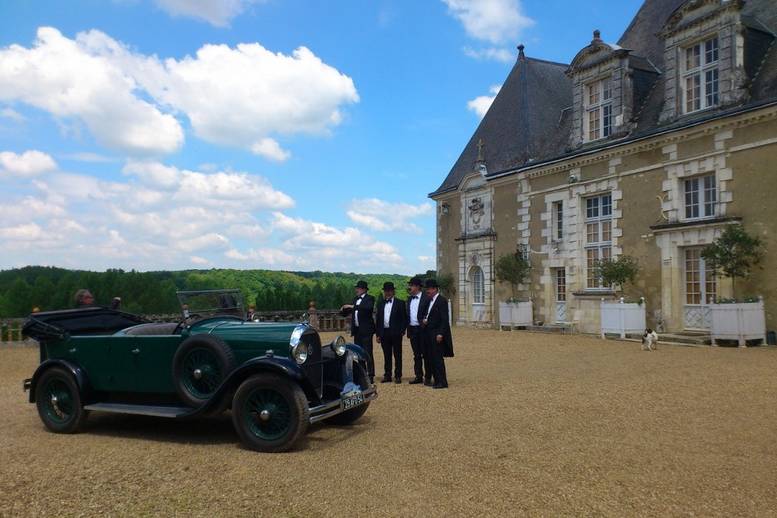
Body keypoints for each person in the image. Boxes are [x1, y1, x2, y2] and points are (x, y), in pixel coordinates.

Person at [340, 280, 376, 383]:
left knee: (368, 353)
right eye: (356, 288)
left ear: (364, 289)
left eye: (358, 288)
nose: (356, 290)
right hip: (357, 330)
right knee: (358, 353)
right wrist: (343, 309)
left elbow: (367, 308)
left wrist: (351, 306)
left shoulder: (370, 299)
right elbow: (348, 311)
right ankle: (362, 374)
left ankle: (371, 374)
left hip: (366, 330)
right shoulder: (355, 299)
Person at [421, 278, 454, 389]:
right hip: (428, 333)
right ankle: (436, 380)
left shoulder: (442, 300)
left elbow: (444, 319)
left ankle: (442, 382)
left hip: (436, 334)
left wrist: (440, 333)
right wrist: (425, 320)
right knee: (431, 358)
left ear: (435, 289)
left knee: (438, 358)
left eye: (429, 289)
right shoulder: (429, 301)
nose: (427, 291)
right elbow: (429, 315)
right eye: (426, 289)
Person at [376, 282, 407, 384]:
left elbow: (404, 319)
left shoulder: (400, 303)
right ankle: (387, 375)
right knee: (386, 355)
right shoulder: (380, 303)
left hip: (396, 332)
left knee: (397, 355)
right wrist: (378, 334)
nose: (387, 293)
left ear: (393, 291)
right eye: (386, 291)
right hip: (384, 332)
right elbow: (378, 320)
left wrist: (402, 331)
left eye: (389, 291)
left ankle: (398, 375)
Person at [406, 276, 430, 385]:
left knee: (426, 354)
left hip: (423, 329)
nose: (409, 287)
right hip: (413, 329)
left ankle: (428, 377)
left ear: (417, 287)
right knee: (416, 355)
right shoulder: (409, 299)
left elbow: (429, 313)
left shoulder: (426, 298)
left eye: (411, 285)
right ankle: (418, 376)